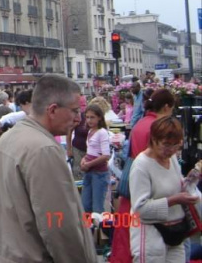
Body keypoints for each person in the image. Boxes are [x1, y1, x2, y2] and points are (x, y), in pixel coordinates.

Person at [0, 74, 96, 262]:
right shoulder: (43, 149)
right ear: (53, 110)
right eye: (74, 111)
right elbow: (58, 225)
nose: (78, 119)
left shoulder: (9, 137)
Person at [110, 88, 177, 263]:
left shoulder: (140, 122)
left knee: (126, 230)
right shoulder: (156, 127)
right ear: (166, 107)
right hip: (148, 189)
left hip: (132, 183)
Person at [130, 116, 199, 262]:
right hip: (150, 235)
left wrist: (194, 177)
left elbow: (179, 186)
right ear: (154, 139)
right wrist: (174, 200)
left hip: (176, 232)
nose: (171, 150)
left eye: (176, 145)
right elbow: (140, 209)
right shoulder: (141, 165)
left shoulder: (171, 158)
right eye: (166, 144)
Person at [80, 103, 111, 214]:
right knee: (85, 205)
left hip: (99, 173)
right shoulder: (90, 132)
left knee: (97, 208)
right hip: (89, 172)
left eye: (92, 117)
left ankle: (99, 230)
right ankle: (89, 230)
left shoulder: (102, 132)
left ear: (99, 117)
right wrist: (84, 159)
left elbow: (106, 155)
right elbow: (91, 151)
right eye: (87, 117)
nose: (89, 120)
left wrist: (89, 164)